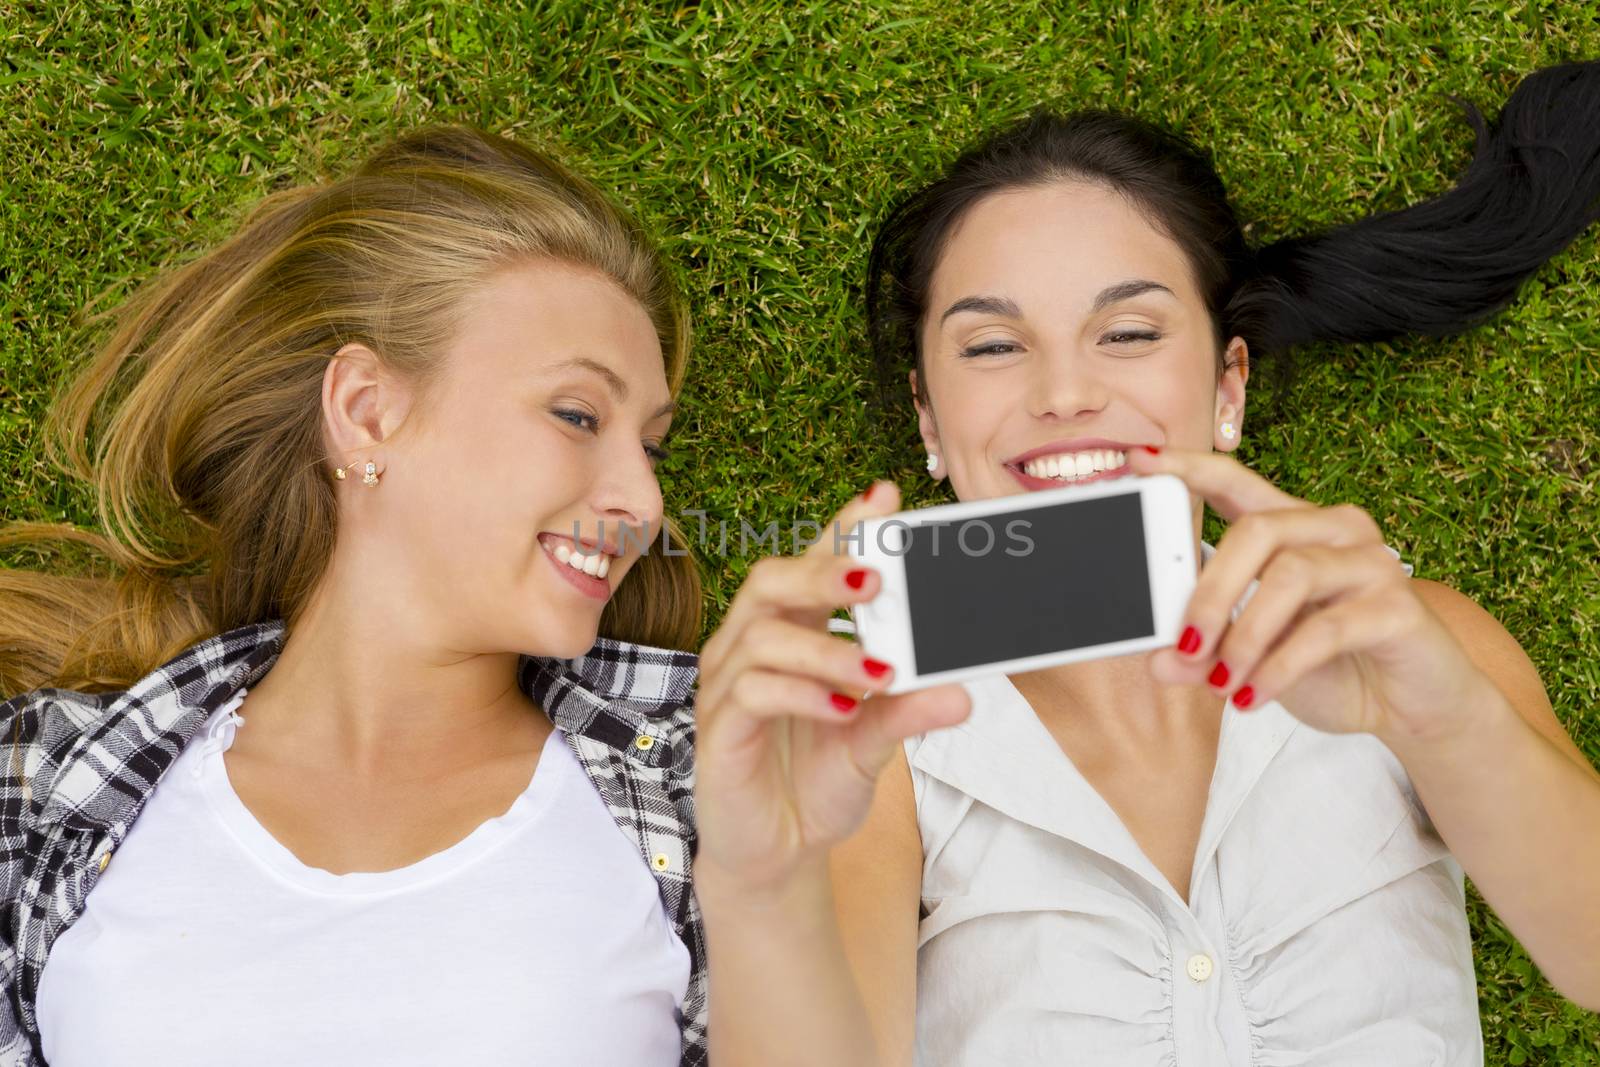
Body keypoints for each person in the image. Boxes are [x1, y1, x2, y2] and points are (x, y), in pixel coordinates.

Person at [691, 61, 1600, 1065]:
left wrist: (1442, 714)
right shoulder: (870, 748)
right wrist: (755, 885)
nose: (1066, 390)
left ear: (1227, 383)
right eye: (992, 346)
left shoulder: (1408, 639)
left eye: (1126, 332)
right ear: (929, 421)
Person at [0, 126, 710, 1065]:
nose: (645, 498)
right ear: (367, 410)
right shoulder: (42, 780)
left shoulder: (707, 778)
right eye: (577, 414)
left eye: (651, 444)